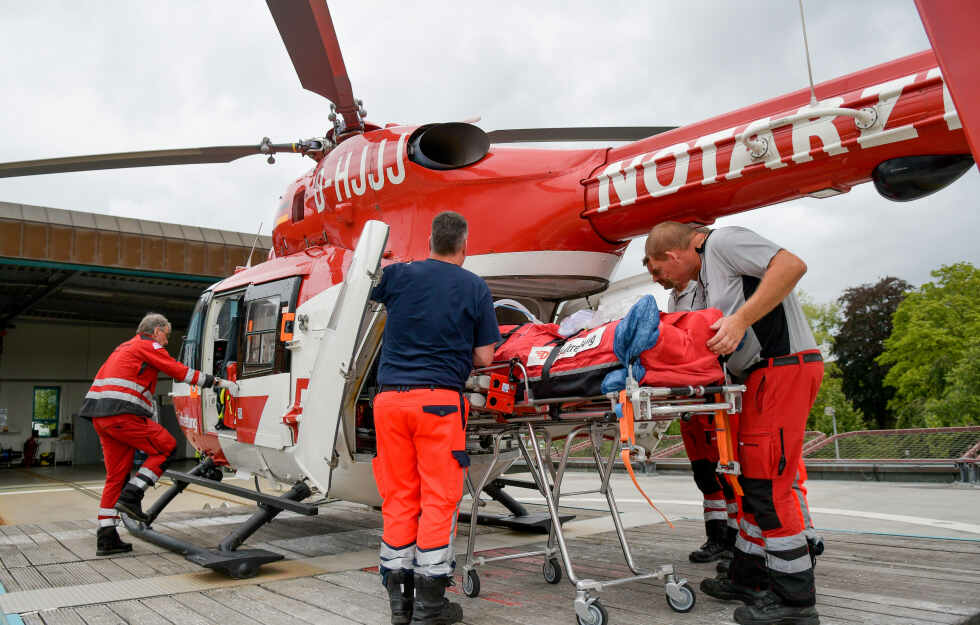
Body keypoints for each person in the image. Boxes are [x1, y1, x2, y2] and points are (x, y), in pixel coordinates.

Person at [644, 222, 823, 625]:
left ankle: (795, 601)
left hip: (781, 369)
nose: (660, 279)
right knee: (747, 480)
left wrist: (740, 319)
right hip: (755, 379)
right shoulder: (705, 274)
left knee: (768, 484)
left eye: (657, 270)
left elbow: (792, 266)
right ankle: (750, 573)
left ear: (673, 256)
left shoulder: (724, 241)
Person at [370, 211, 499, 625]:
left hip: (389, 402)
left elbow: (364, 289)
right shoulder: (473, 285)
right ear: (464, 246)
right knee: (439, 499)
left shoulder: (399, 275)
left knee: (399, 495)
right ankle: (430, 606)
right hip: (438, 404)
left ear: (429, 241)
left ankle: (399, 604)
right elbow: (484, 357)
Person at [78, 313, 236, 557]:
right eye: (166, 336)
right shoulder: (148, 345)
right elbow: (178, 371)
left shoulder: (124, 347)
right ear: (156, 331)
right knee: (167, 447)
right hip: (123, 415)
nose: (166, 342)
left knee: (115, 477)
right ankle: (133, 495)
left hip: (100, 416)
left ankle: (106, 536)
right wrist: (216, 382)